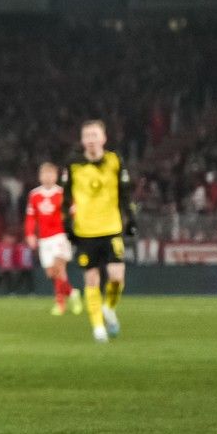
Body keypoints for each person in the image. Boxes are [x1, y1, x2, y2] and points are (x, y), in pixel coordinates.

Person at [63, 119, 133, 345]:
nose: (91, 140)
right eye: (87, 136)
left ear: (104, 138)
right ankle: (98, 327)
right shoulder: (73, 165)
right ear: (82, 140)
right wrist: (67, 225)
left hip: (111, 228)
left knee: (117, 278)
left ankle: (109, 308)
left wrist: (131, 218)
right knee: (92, 280)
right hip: (85, 232)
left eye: (95, 135)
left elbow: (125, 192)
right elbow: (65, 198)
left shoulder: (114, 160)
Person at [22, 161, 74, 314]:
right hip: (44, 239)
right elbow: (31, 217)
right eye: (45, 174)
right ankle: (72, 293)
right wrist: (30, 234)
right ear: (40, 177)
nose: (48, 177)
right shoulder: (34, 195)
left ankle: (60, 303)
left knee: (59, 268)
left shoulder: (62, 193)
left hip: (60, 236)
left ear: (56, 176)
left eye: (51, 174)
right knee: (51, 273)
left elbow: (73, 212)